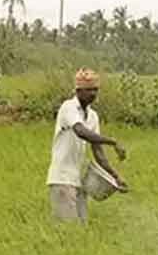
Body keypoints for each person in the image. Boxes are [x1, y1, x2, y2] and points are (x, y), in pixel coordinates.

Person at [46, 68, 129, 223]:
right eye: (88, 90)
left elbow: (98, 152)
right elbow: (80, 131)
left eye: (95, 90)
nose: (93, 94)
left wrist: (115, 176)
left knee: (81, 229)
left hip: (80, 180)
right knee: (67, 231)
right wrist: (112, 141)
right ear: (78, 90)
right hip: (62, 179)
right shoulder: (68, 107)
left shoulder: (92, 116)